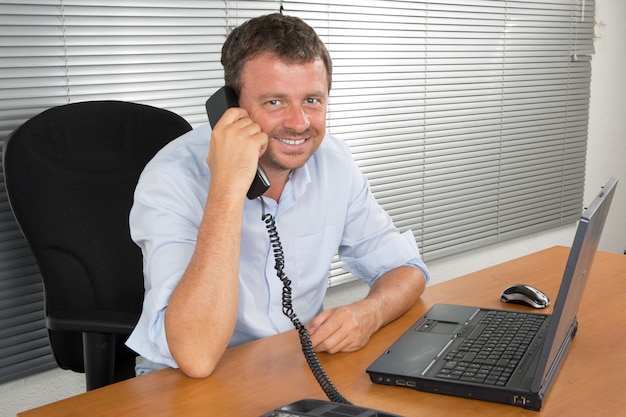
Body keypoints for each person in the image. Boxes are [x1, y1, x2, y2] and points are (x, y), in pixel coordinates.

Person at [126, 12, 429, 378]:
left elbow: (407, 270)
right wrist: (226, 188)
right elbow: (195, 357)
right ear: (231, 107)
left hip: (292, 367)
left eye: (313, 100)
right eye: (274, 102)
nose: (300, 123)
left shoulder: (333, 161)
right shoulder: (172, 179)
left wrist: (369, 313)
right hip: (186, 385)